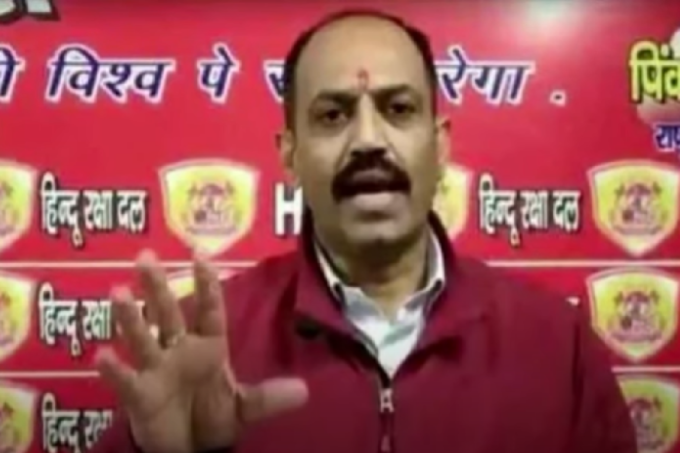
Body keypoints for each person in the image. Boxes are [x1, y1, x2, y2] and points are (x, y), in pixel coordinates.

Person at [88, 8, 638, 453]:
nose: (369, 140)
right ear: (289, 155)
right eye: (333, 115)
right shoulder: (205, 346)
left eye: (398, 109)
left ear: (440, 145)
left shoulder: (556, 345)